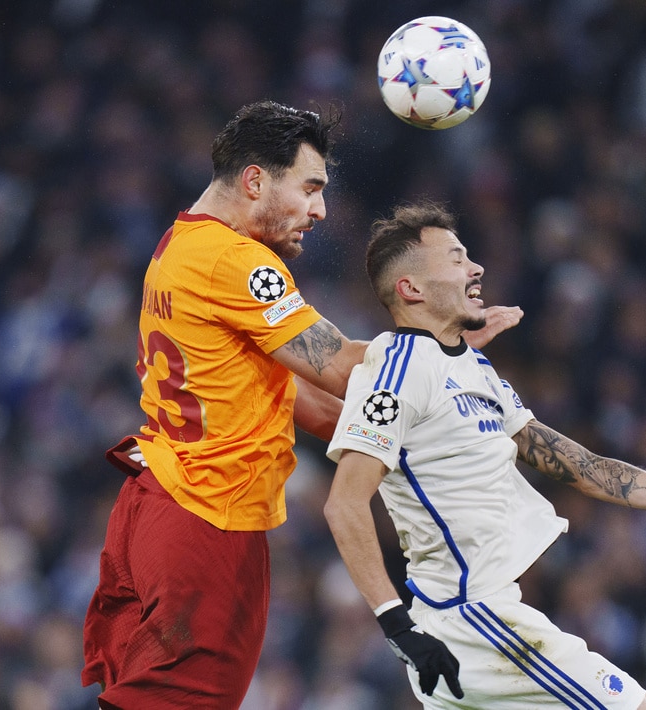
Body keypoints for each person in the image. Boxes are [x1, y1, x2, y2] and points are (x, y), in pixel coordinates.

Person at [80, 102, 521, 710]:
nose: (320, 210)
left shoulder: (181, 243)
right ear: (255, 180)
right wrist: (445, 343)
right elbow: (340, 366)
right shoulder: (236, 262)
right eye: (310, 188)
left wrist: (399, 442)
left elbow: (296, 396)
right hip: (207, 515)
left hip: (160, 501)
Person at [323, 200, 646, 709]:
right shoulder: (395, 371)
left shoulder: (474, 370)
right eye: (456, 259)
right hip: (473, 620)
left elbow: (583, 468)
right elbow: (344, 504)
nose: (476, 268)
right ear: (411, 288)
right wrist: (396, 625)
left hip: (472, 623)